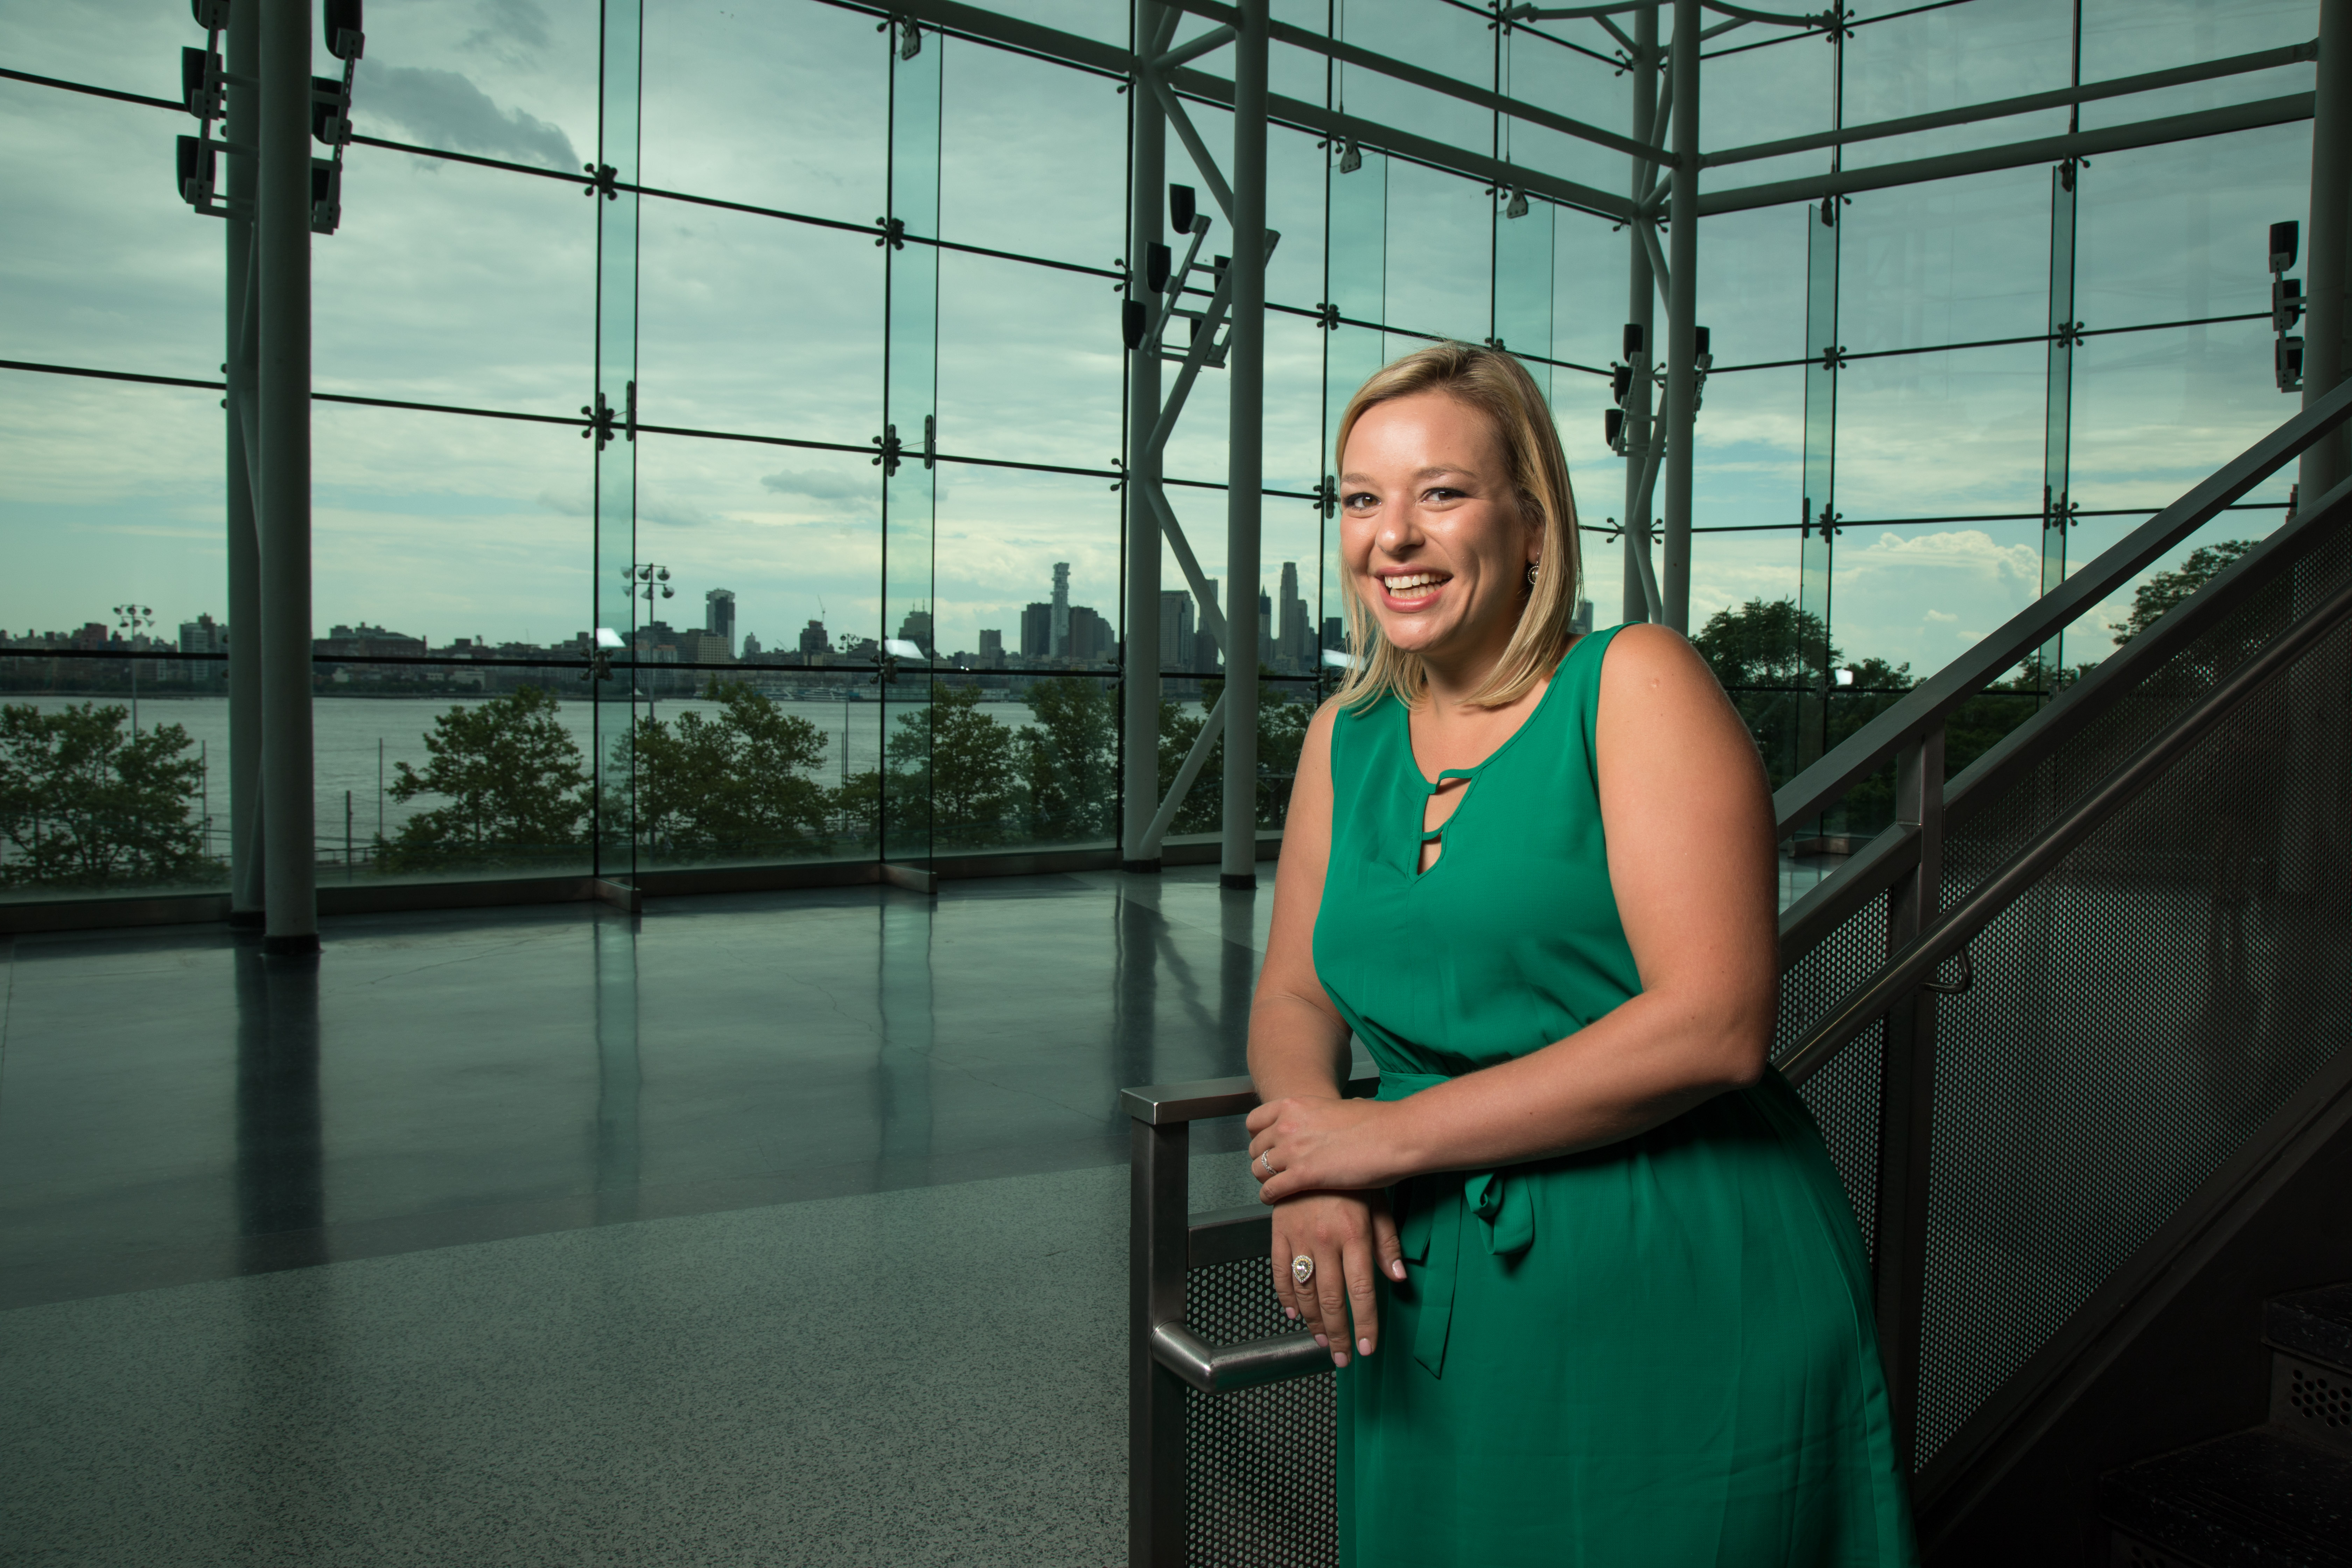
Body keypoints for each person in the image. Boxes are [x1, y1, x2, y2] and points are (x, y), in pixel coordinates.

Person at [1243, 343, 1918, 1565]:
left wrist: (1382, 1136)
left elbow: (1715, 1023)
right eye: (1361, 498)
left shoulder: (1634, 682)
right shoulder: (1346, 736)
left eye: (1441, 492)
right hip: (1435, 1277)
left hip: (1666, 1262)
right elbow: (1295, 988)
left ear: (1535, 524)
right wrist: (1315, 1157)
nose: (1393, 535)